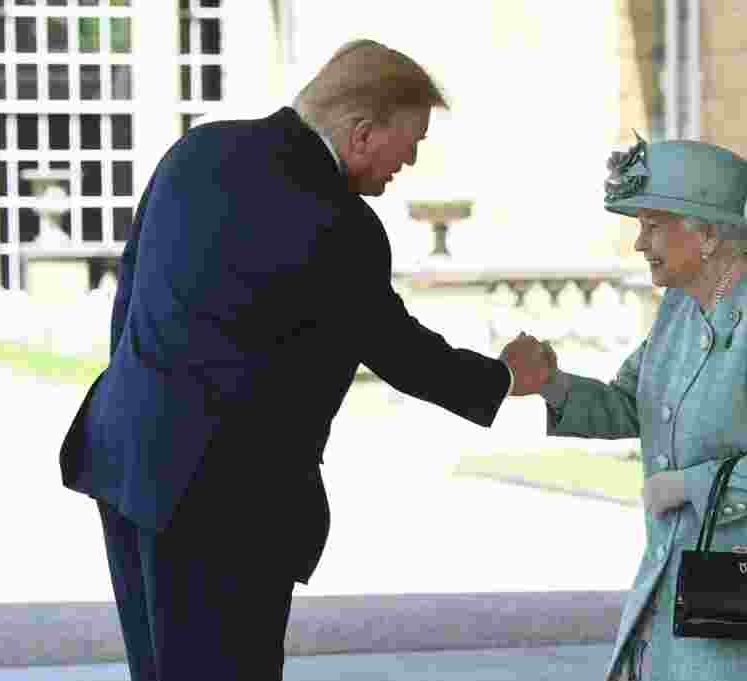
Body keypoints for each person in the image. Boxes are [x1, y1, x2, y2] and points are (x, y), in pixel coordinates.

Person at [57, 40, 548, 681]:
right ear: (363, 132)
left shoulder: (194, 152)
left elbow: (131, 297)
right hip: (225, 503)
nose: (412, 159)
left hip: (126, 456)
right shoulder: (339, 222)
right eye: (413, 140)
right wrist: (508, 376)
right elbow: (400, 351)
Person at [526, 137, 747, 679]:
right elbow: (629, 404)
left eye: (653, 224)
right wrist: (551, 384)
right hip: (682, 578)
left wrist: (689, 485)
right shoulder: (680, 304)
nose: (640, 243)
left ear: (707, 234)